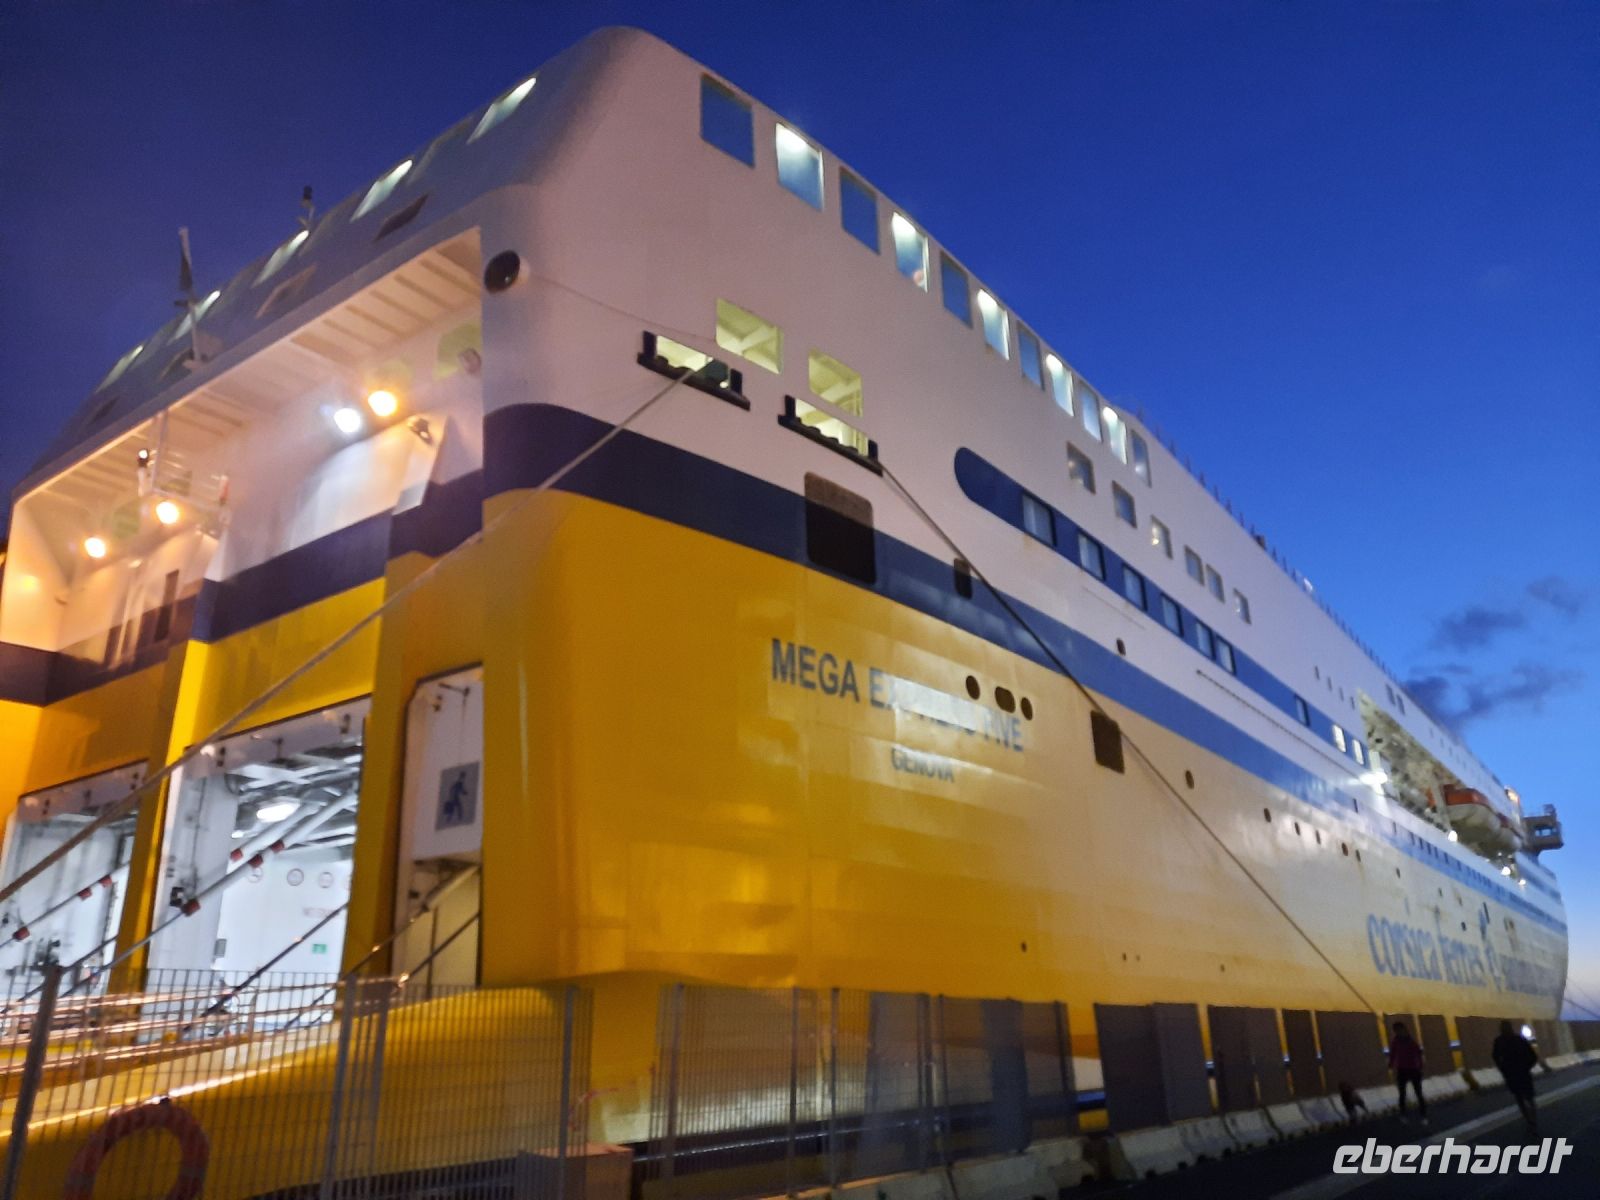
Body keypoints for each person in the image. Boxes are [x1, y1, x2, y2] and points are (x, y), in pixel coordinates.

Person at [1491, 1020, 1540, 1131]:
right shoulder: (1519, 1039)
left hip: (1511, 1075)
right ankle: (1533, 1120)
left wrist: (1503, 1069)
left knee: (1519, 1099)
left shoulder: (1499, 1041)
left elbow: (1495, 1056)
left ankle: (1528, 1120)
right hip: (1523, 1073)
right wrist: (1527, 1067)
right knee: (1529, 1098)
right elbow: (1533, 1056)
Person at [1388, 1021, 1428, 1124]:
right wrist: (1391, 1065)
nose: (1397, 1032)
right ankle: (1403, 1114)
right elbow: (1393, 1054)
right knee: (1402, 1094)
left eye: (1398, 1029)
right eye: (1396, 1030)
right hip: (1402, 1070)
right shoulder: (1395, 1042)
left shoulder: (1410, 1041)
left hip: (1413, 1069)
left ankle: (1423, 1116)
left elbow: (1419, 1053)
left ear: (1403, 1029)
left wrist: (1420, 1067)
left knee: (1418, 1093)